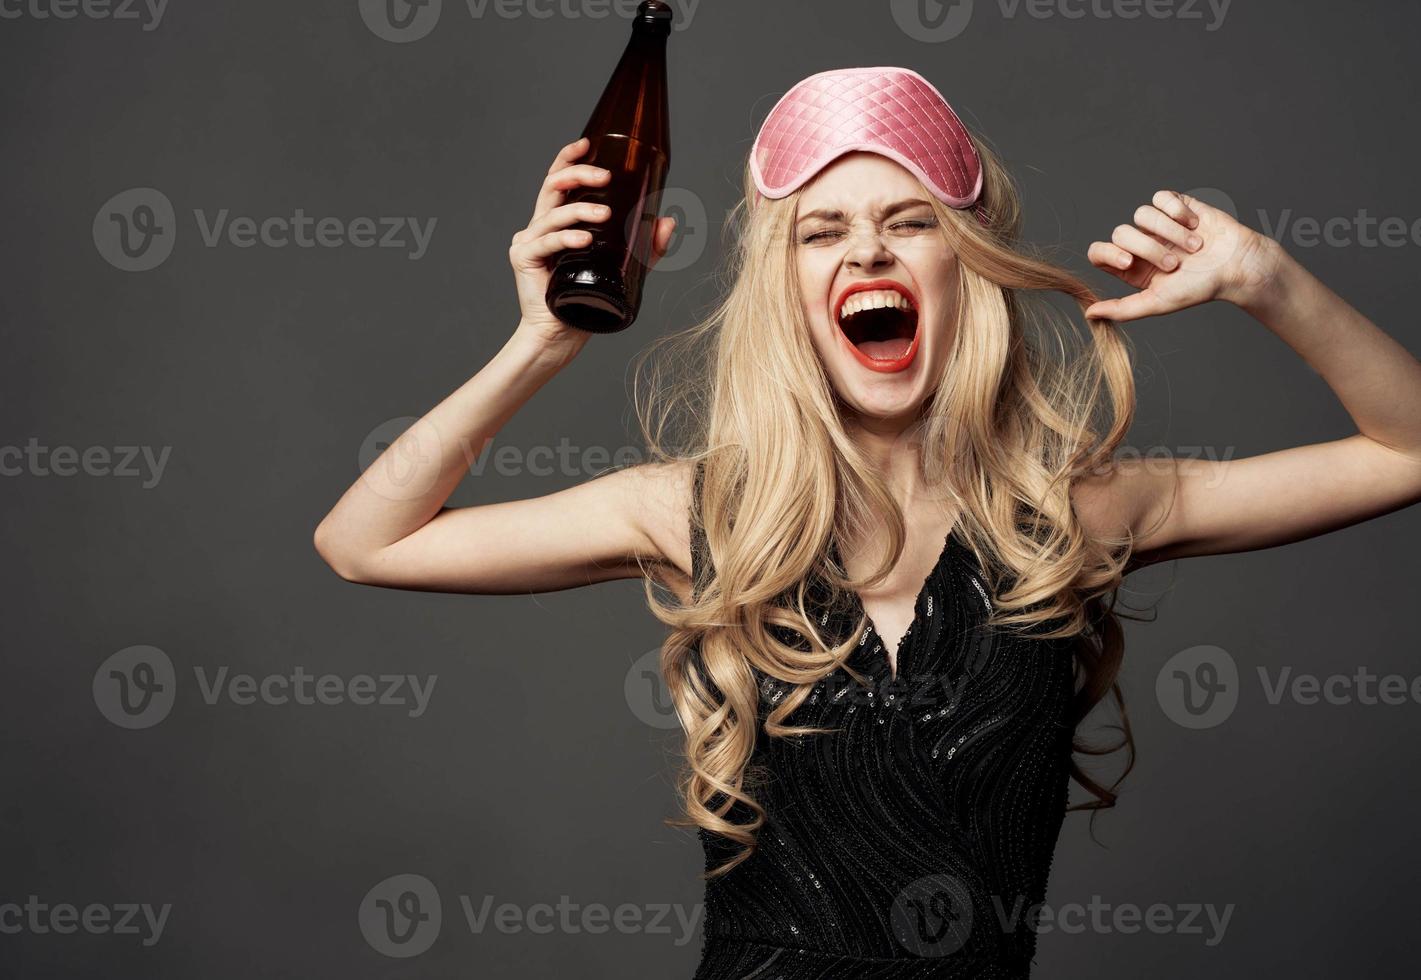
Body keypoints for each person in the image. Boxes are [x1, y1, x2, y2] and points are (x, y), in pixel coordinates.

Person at [313, 66, 1421, 978]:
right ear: (785, 288)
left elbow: (1405, 451)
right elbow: (367, 538)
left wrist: (1267, 280)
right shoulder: (701, 510)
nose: (865, 254)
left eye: (906, 221)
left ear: (964, 264)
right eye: (819, 232)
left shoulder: (1072, 513)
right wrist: (539, 346)